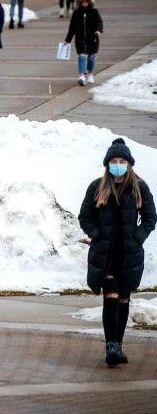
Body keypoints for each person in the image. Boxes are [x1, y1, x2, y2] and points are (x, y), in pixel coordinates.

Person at [78, 138, 156, 366]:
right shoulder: (97, 187)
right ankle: (111, 345)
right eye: (114, 161)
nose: (118, 164)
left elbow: (151, 218)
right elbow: (85, 216)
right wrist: (95, 233)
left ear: (129, 163)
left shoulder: (139, 187)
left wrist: (138, 237)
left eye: (122, 161)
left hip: (129, 255)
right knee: (110, 297)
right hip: (106, 255)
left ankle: (118, 344)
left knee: (123, 300)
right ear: (107, 164)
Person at [64, 0, 103, 86]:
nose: (84, 4)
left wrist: (98, 30)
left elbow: (99, 22)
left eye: (86, 2)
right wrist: (68, 39)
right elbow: (72, 27)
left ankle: (89, 74)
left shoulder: (94, 12)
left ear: (89, 2)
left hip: (92, 38)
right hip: (80, 38)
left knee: (91, 57)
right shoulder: (76, 13)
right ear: (80, 3)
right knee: (81, 56)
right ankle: (81, 75)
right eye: (82, 2)